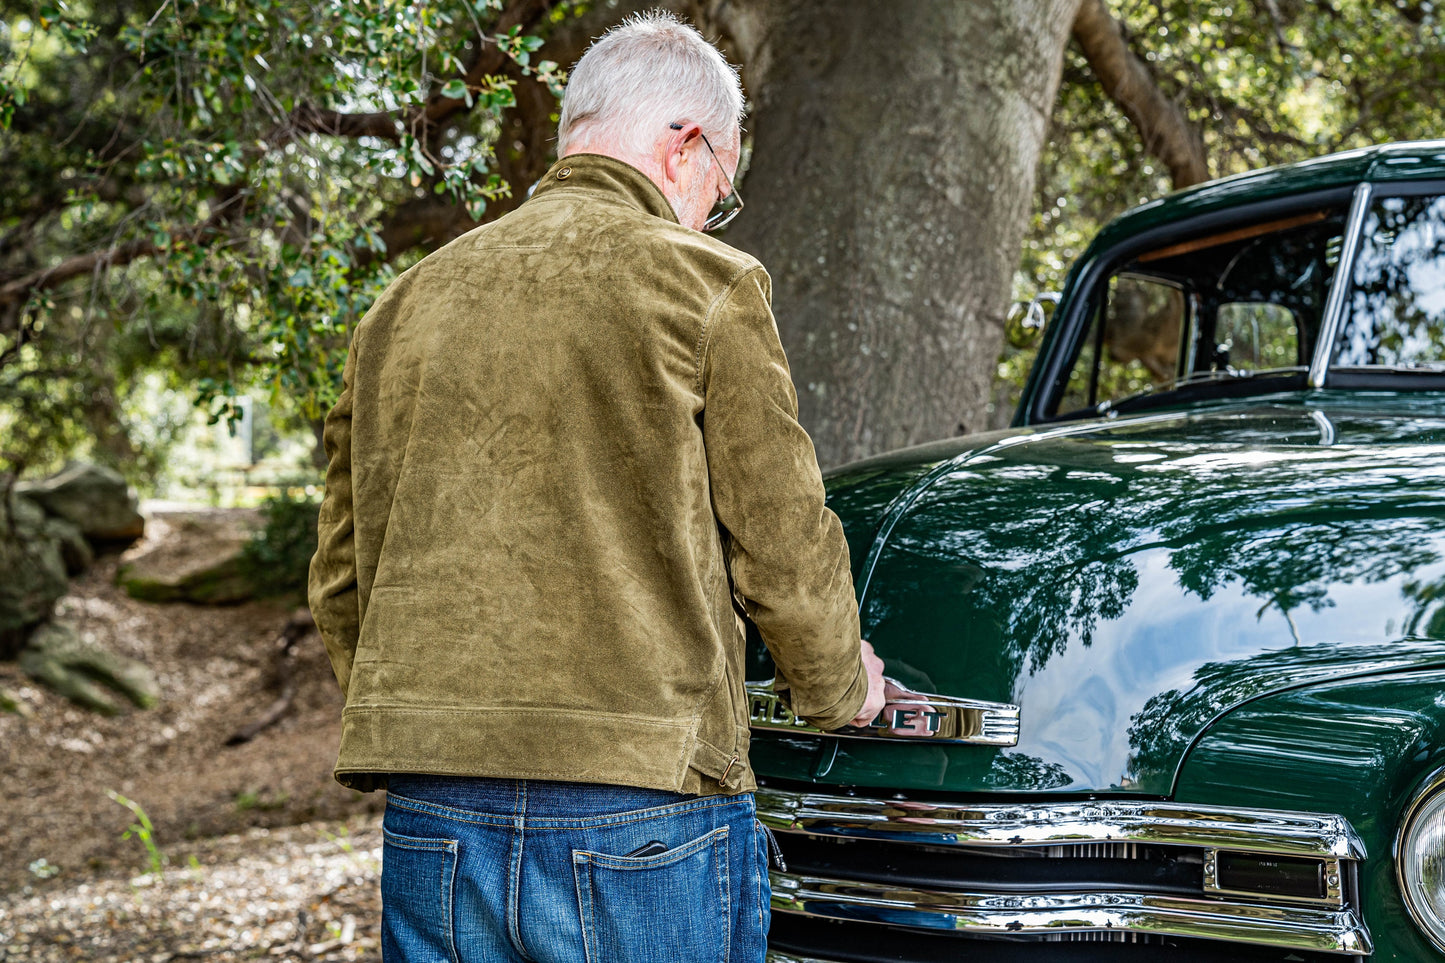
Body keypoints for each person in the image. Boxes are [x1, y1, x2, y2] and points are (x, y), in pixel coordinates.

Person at [308, 11, 886, 962]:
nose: (709, 211)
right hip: (639, 805)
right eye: (720, 187)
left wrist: (434, 716)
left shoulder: (401, 306)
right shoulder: (705, 284)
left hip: (432, 807)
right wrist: (837, 686)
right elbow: (781, 543)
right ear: (686, 144)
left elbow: (339, 573)